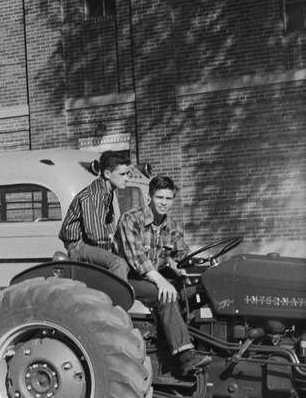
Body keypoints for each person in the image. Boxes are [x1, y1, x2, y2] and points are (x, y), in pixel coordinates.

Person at [117, 175, 211, 378]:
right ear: (149, 197)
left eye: (168, 199)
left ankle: (201, 343)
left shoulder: (172, 225)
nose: (164, 203)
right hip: (129, 278)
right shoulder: (131, 219)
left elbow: (180, 253)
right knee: (165, 295)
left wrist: (182, 265)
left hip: (154, 275)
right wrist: (161, 281)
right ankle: (185, 357)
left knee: (194, 290)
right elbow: (138, 261)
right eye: (160, 197)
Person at [58, 150, 132, 280]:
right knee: (118, 263)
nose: (127, 178)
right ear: (107, 174)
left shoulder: (108, 193)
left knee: (128, 259)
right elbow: (95, 235)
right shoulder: (94, 195)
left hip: (91, 244)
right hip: (79, 246)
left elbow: (109, 225)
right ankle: (120, 299)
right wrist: (114, 248)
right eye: (122, 174)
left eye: (128, 174)